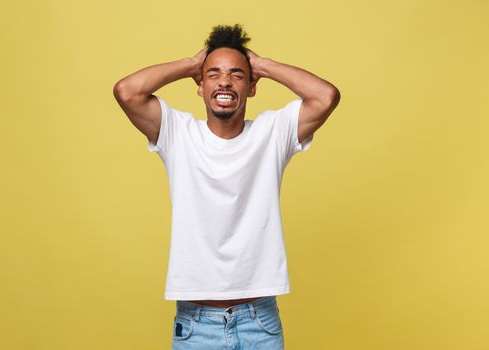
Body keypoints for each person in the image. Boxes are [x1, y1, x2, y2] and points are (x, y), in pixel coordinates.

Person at [113, 24, 340, 350]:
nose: (224, 81)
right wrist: (192, 63)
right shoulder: (178, 134)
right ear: (200, 86)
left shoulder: (272, 133)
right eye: (213, 74)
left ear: (251, 87)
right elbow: (127, 91)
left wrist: (260, 65)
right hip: (195, 324)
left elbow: (325, 96)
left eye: (237, 75)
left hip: (259, 321)